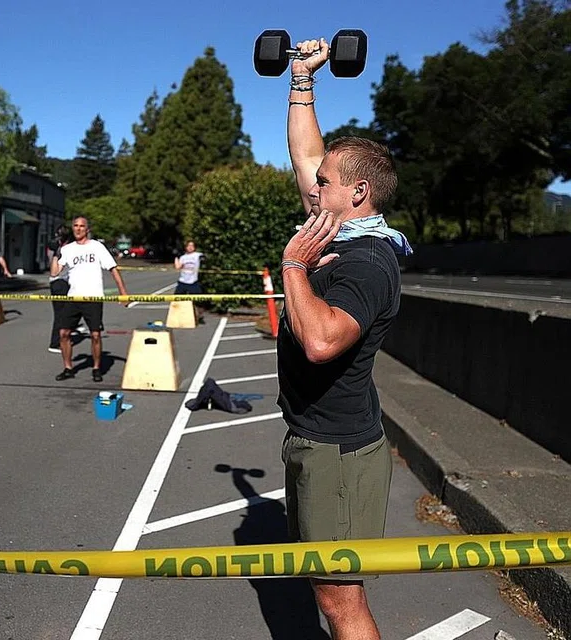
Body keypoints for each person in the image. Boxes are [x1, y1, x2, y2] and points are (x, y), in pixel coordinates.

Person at [277, 37, 410, 640]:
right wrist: (302, 79)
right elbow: (307, 154)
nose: (312, 185)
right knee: (325, 593)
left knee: (341, 604)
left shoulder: (367, 262)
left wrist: (294, 268)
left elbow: (324, 343)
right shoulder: (339, 226)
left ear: (357, 193)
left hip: (339, 452)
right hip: (315, 438)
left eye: (326, 182)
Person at [49, 216, 129, 382]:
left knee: (95, 335)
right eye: (75, 226)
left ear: (87, 229)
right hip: (73, 297)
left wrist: (123, 292)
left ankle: (96, 368)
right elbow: (55, 273)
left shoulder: (97, 247)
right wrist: (56, 254)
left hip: (93, 297)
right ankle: (68, 367)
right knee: (63, 333)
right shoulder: (68, 249)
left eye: (81, 226)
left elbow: (113, 269)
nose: (78, 229)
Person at [47, 225, 71, 354]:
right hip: (59, 283)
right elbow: (54, 272)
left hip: (63, 282)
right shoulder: (57, 249)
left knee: (68, 312)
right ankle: (55, 343)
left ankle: (66, 334)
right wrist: (57, 253)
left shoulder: (63, 248)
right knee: (60, 314)